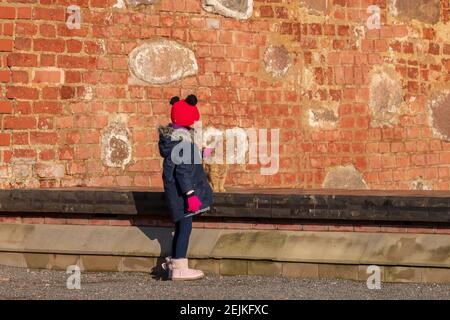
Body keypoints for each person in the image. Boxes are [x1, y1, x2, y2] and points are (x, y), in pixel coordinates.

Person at [158, 94, 213, 281]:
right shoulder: (184, 143)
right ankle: (180, 265)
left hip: (175, 194)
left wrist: (202, 153)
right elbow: (183, 172)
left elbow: (184, 161)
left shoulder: (173, 140)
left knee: (180, 227)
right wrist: (191, 195)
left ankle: (175, 262)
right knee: (185, 228)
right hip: (183, 196)